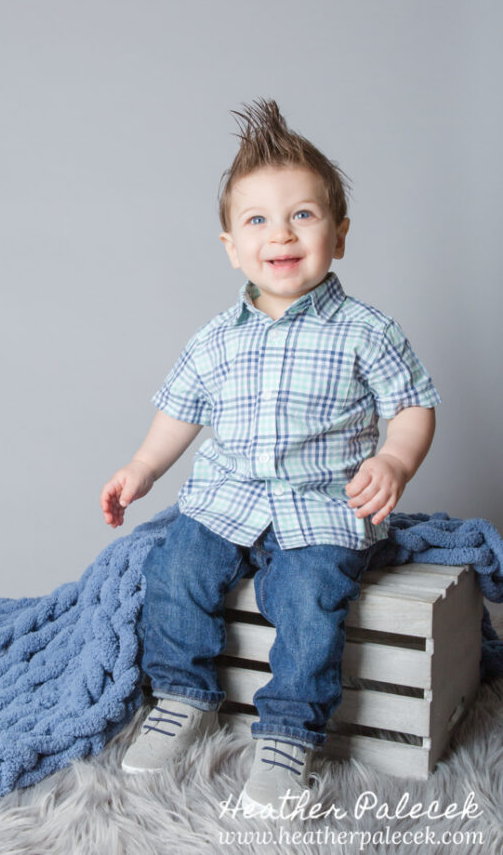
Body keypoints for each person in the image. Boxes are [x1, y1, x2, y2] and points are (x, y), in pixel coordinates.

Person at [100, 98, 441, 817]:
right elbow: (181, 412)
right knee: (177, 571)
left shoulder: (364, 330)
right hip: (227, 497)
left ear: (339, 235)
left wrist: (395, 462)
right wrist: (142, 468)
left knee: (309, 600)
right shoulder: (216, 338)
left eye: (303, 216)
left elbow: (412, 404)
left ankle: (288, 732)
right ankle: (182, 693)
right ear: (230, 245)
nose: (280, 234)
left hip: (323, 507)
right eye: (257, 220)